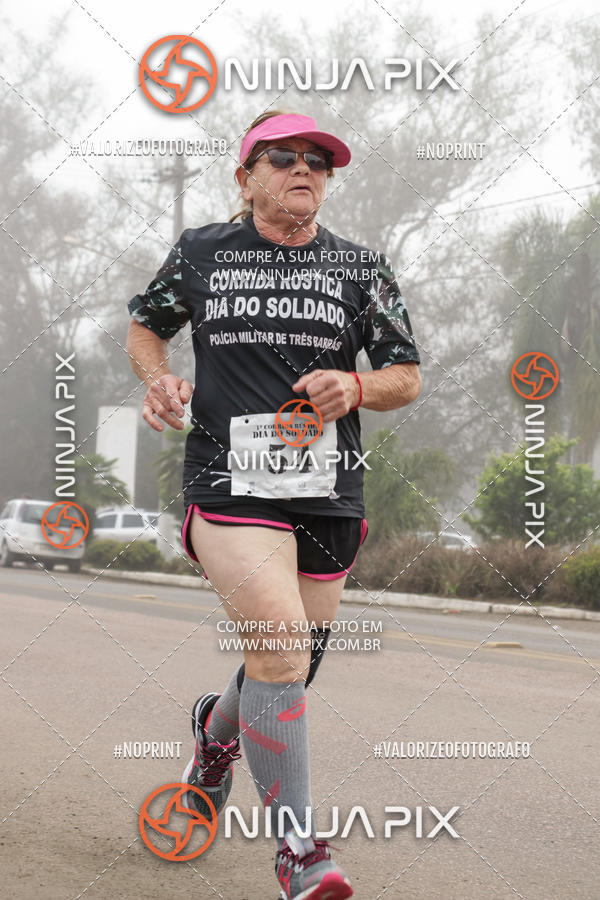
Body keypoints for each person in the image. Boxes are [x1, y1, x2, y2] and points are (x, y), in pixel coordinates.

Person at [126, 110, 421, 900]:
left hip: (329, 493)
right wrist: (158, 378)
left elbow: (407, 373)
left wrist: (357, 384)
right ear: (246, 175)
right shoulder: (201, 253)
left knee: (288, 666)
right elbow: (145, 328)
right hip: (228, 484)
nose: (305, 170)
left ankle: (214, 738)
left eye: (320, 161)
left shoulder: (362, 268)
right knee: (282, 649)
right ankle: (300, 852)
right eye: (285, 157)